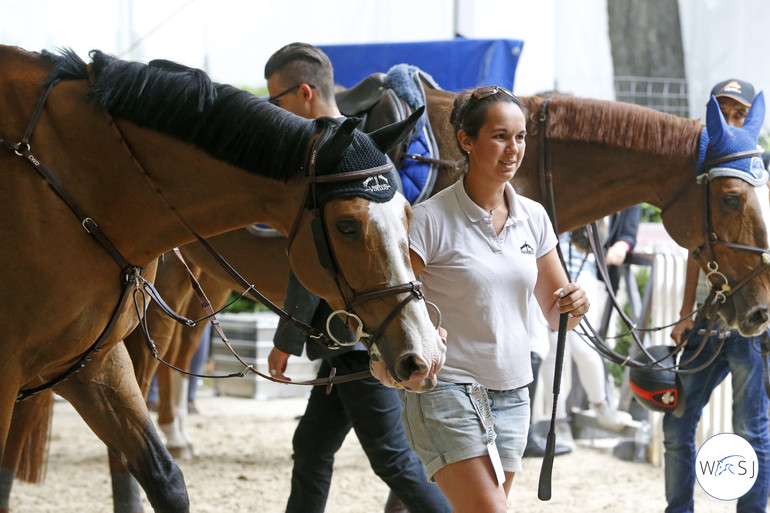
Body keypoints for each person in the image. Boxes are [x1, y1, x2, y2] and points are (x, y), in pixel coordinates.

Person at [264, 42, 450, 513]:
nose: (274, 112)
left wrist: (287, 337)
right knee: (311, 447)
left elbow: (315, 262)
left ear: (304, 92)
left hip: (365, 336)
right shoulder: (362, 150)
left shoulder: (331, 159)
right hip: (343, 342)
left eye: (276, 100)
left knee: (393, 460)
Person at [402, 85, 589, 512]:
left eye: (520, 137)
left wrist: (575, 302)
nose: (513, 149)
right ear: (466, 141)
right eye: (500, 136)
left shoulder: (534, 217)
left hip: (513, 393)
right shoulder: (429, 220)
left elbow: (558, 316)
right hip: (446, 390)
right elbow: (396, 314)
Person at [665, 78, 770, 513]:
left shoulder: (759, 176)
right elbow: (695, 249)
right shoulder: (703, 177)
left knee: (752, 429)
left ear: (750, 118)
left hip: (749, 319)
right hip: (707, 320)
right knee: (677, 425)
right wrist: (686, 311)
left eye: (739, 112)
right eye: (723, 110)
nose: (731, 119)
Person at [539, 208, 639, 447]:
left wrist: (621, 245)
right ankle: (559, 420)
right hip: (548, 267)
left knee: (583, 345)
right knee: (552, 348)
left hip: (584, 270)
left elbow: (625, 227)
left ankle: (600, 404)